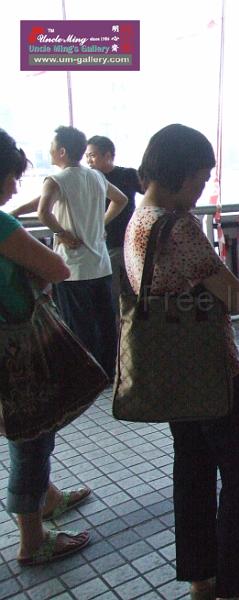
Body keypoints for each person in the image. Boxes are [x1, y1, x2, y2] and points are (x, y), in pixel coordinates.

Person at [125, 124, 239, 600]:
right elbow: (235, 296)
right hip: (214, 372)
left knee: (192, 471)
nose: (202, 187)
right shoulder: (180, 228)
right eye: (202, 177)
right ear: (182, 171)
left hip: (172, 373)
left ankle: (201, 579)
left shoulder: (139, 218)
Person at [0, 129, 92, 565]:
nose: (14, 186)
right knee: (31, 436)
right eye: (12, 177)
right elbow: (56, 268)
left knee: (27, 428)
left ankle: (48, 497)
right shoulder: (2, 225)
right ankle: (32, 540)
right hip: (16, 348)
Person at [12, 126, 128, 378]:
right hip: (100, 265)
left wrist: (61, 233)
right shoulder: (95, 176)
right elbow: (121, 199)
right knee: (105, 324)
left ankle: (86, 377)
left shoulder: (56, 180)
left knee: (78, 326)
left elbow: (43, 212)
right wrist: (101, 222)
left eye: (52, 147)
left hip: (73, 269)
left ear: (62, 151)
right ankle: (110, 373)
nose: (50, 151)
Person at [85, 135, 143, 314]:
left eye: (92, 155)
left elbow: (150, 193)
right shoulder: (89, 179)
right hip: (103, 245)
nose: (88, 161)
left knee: (134, 293)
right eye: (87, 156)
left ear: (108, 155)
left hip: (129, 243)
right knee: (111, 296)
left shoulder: (127, 175)